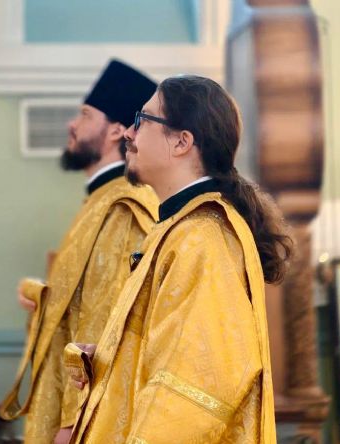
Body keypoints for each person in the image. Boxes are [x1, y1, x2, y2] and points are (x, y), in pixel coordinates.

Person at [66, 75, 293, 443]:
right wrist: (110, 357)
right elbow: (163, 349)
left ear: (182, 142)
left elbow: (193, 386)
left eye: (142, 120)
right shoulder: (178, 228)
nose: (129, 134)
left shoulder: (202, 238)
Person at [0, 60, 159, 444]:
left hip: (85, 417)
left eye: (85, 115)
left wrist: (76, 421)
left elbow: (105, 321)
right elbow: (81, 299)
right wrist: (41, 295)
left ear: (116, 130)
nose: (73, 124)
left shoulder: (123, 206)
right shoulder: (100, 201)